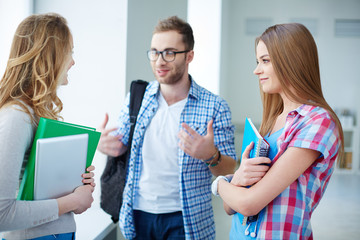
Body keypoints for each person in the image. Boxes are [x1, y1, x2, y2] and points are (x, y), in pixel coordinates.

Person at [97, 16, 237, 239]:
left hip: (186, 219)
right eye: (155, 52)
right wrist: (105, 145)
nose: (159, 61)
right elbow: (121, 144)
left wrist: (210, 155)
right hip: (138, 215)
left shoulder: (215, 106)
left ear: (189, 56)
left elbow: (230, 170)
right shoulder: (137, 98)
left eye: (170, 52)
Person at [212, 23, 344, 239]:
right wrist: (236, 181)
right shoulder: (270, 122)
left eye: (265, 61)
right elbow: (230, 208)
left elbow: (249, 203)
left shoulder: (318, 122)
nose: (256, 70)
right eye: (257, 61)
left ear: (291, 60)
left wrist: (219, 183)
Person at [0, 13, 95, 240]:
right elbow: (2, 213)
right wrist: (72, 200)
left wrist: (77, 184)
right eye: (69, 52)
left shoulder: (33, 114)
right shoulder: (16, 117)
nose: (72, 62)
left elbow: (40, 194)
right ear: (49, 56)